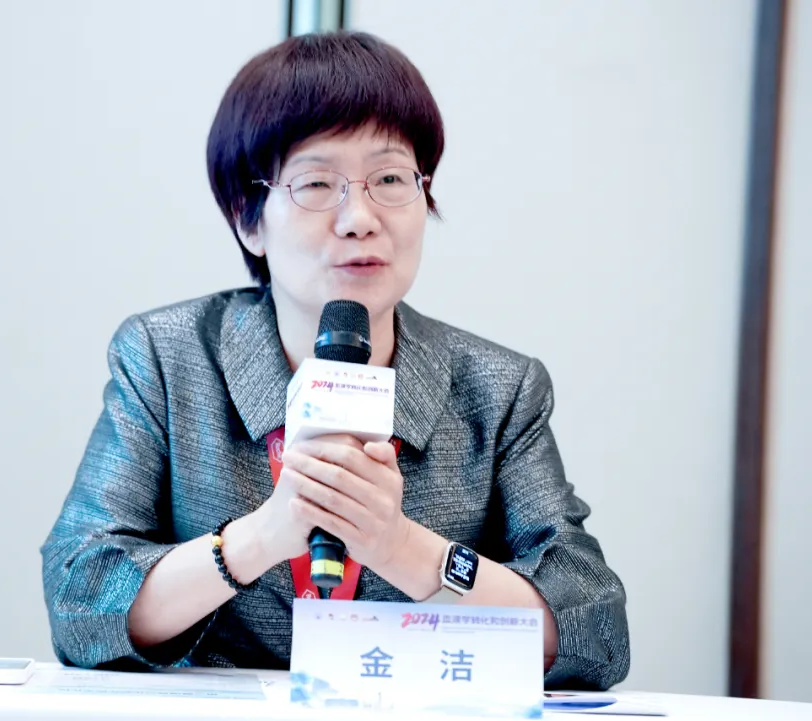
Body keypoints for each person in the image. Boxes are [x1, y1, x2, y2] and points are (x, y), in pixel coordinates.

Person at [41, 30, 629, 689]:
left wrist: (402, 547)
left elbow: (594, 630)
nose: (359, 217)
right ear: (248, 219)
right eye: (317, 183)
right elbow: (78, 599)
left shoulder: (498, 389)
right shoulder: (169, 357)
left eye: (390, 179)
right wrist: (262, 536)